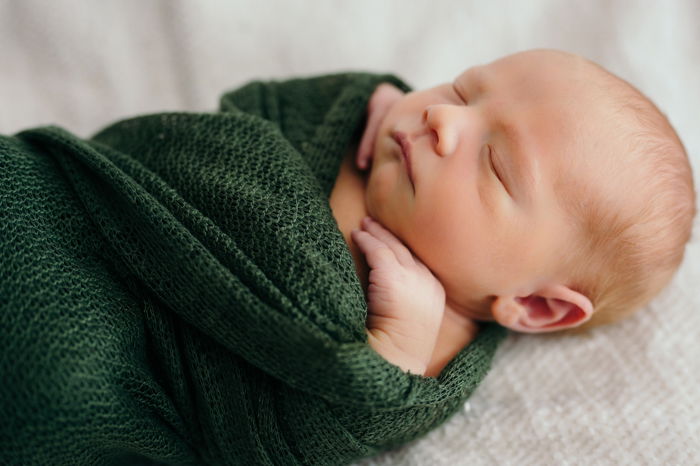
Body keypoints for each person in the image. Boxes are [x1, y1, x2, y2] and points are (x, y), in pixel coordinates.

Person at [328, 49, 696, 377]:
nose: (441, 116)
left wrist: (391, 359)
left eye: (495, 165)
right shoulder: (370, 128)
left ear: (533, 303)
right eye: (461, 91)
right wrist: (359, 101)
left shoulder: (424, 347)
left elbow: (311, 432)